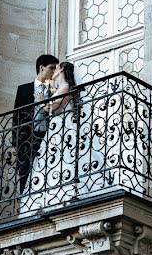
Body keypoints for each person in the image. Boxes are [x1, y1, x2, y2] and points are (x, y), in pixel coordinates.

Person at [22, 61, 103, 210]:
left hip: (63, 129)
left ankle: (65, 195)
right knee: (56, 163)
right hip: (56, 129)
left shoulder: (66, 87)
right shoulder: (61, 87)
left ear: (62, 70)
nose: (54, 71)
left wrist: (41, 102)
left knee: (65, 161)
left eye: (57, 67)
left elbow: (54, 108)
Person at [13, 54, 59, 194]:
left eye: (55, 69)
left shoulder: (55, 91)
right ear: (41, 67)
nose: (53, 72)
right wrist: (16, 143)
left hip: (47, 137)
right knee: (25, 174)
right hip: (27, 138)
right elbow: (17, 117)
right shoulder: (24, 89)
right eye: (51, 68)